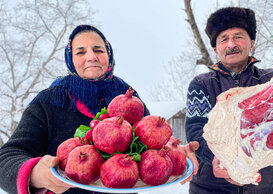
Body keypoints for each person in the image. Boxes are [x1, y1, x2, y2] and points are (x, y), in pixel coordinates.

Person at [0, 25, 199, 194]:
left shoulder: (129, 100)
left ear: (109, 55)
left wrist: (175, 151)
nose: (91, 57)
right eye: (80, 52)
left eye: (99, 49)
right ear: (70, 59)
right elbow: (6, 158)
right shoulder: (49, 102)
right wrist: (35, 174)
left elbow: (154, 143)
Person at [185, 7, 273, 194]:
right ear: (216, 49)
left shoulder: (272, 80)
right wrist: (216, 158)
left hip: (269, 188)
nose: (231, 43)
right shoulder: (202, 85)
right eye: (224, 39)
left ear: (251, 43)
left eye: (238, 36)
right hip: (211, 188)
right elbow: (195, 132)